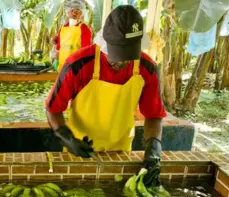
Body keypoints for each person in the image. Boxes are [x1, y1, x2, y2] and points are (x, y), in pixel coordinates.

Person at [45, 5, 166, 187]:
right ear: (104, 44)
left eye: (128, 56)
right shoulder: (78, 65)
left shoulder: (147, 68)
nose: (122, 61)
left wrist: (154, 150)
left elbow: (154, 115)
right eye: (116, 55)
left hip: (121, 151)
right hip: (79, 151)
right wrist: (67, 138)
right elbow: (52, 109)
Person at [51, 0, 92, 72]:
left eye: (77, 10)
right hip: (62, 67)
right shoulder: (63, 28)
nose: (74, 13)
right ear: (67, 12)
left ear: (81, 13)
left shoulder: (84, 28)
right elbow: (58, 49)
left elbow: (85, 51)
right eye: (71, 10)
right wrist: (56, 60)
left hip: (75, 68)